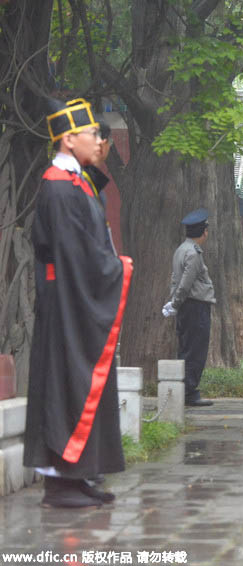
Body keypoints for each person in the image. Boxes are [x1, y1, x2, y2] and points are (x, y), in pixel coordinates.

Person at [24, 98, 134, 508]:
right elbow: (74, 253)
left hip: (76, 298)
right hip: (67, 304)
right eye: (92, 134)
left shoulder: (76, 181)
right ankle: (61, 484)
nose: (98, 140)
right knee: (66, 386)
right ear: (68, 139)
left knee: (84, 384)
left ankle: (80, 474)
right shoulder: (58, 185)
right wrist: (116, 269)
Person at [163, 208, 216, 407]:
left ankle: (184, 388)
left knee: (186, 348)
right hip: (196, 306)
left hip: (186, 306)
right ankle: (189, 391)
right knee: (196, 349)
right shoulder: (193, 253)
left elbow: (174, 278)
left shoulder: (181, 250)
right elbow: (186, 283)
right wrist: (175, 302)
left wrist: (174, 302)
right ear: (204, 232)